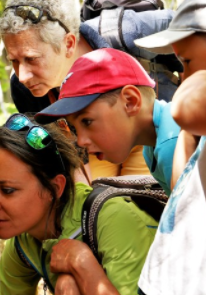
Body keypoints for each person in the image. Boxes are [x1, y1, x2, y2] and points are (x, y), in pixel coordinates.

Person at [0, 0, 182, 179]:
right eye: (14, 61)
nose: (23, 76)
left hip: (149, 129)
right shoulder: (23, 89)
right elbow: (64, 149)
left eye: (31, 59)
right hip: (90, 142)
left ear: (68, 44)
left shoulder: (127, 30)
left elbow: (196, 28)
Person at [0, 113, 159, 294]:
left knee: (69, 284)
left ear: (55, 187)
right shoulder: (24, 242)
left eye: (7, 190)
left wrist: (82, 263)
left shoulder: (115, 219)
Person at [132, 1, 206, 293]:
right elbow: (180, 189)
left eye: (186, 62)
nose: (182, 77)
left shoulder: (192, 108)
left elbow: (183, 108)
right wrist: (189, 136)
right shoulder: (195, 129)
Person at [35, 48, 180, 196]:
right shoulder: (153, 147)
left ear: (130, 101)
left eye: (87, 121)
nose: (80, 141)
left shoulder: (172, 144)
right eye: (74, 128)